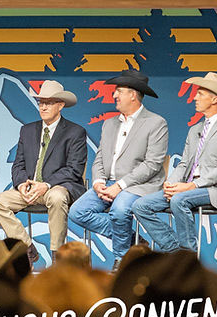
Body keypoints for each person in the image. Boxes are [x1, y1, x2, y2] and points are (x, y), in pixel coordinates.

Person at [69, 69, 167, 271]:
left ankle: (122, 259)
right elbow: (99, 158)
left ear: (133, 94)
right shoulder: (109, 124)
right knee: (77, 212)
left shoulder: (156, 123)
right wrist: (98, 182)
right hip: (109, 184)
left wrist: (120, 186)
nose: (114, 95)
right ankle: (133, 241)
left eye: (119, 91)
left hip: (139, 185)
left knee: (119, 211)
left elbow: (152, 164)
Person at [132, 72, 217, 253]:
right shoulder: (195, 129)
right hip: (186, 187)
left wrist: (191, 186)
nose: (195, 98)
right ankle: (176, 252)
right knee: (140, 205)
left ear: (215, 99)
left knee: (179, 200)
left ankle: (189, 255)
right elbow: (184, 163)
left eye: (200, 94)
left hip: (215, 189)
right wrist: (172, 183)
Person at [0, 80, 87, 266]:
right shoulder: (27, 130)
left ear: (60, 105)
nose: (43, 107)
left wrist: (45, 185)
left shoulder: (75, 132)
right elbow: (18, 164)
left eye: (48, 103)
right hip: (29, 188)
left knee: (57, 198)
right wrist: (21, 185)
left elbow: (73, 169)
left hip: (56, 187)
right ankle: (27, 248)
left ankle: (57, 256)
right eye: (41, 102)